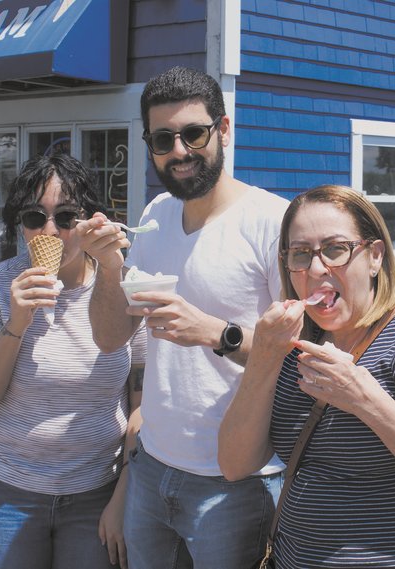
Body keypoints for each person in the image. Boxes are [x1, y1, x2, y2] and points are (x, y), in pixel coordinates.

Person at [218, 185, 395, 568]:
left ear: (374, 257)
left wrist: (366, 401)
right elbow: (234, 464)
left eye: (335, 249)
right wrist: (264, 356)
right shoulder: (294, 344)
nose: (317, 269)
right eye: (300, 254)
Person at [77, 66, 288, 568]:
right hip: (151, 467)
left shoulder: (275, 223)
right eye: (163, 139)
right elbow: (110, 337)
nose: (179, 151)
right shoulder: (155, 215)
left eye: (194, 133)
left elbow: (303, 355)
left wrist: (217, 333)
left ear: (225, 129)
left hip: (237, 482)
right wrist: (108, 266)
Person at [0, 153, 140, 569]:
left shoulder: (122, 285)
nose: (50, 231)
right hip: (2, 491)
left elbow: (144, 401)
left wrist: (125, 494)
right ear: (21, 224)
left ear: (90, 221)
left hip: (96, 493)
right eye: (36, 217)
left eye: (66, 217)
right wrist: (17, 323)